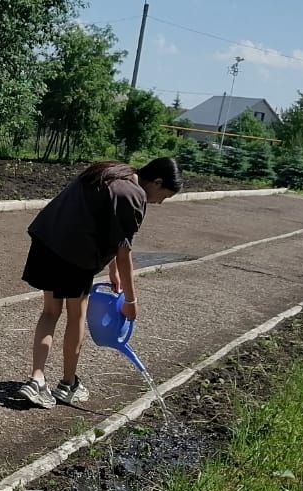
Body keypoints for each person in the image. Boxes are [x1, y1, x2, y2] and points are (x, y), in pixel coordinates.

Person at [16, 158, 182, 408]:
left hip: (46, 241)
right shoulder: (133, 195)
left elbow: (106, 225)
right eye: (164, 196)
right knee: (77, 316)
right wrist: (130, 300)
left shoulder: (112, 171)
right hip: (73, 256)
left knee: (50, 312)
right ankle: (68, 384)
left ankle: (37, 379)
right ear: (157, 181)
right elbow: (124, 252)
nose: (159, 202)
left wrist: (113, 271)